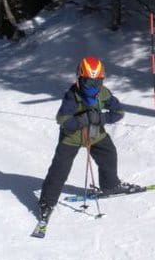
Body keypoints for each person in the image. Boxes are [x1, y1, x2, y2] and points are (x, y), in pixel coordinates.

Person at [38, 56, 142, 223]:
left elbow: (119, 113)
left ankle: (110, 186)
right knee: (59, 170)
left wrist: (101, 119)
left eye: (97, 82)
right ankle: (47, 203)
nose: (93, 86)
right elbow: (63, 120)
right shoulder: (72, 95)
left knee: (109, 154)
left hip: (95, 135)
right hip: (71, 138)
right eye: (88, 82)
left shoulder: (103, 93)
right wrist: (83, 119)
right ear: (79, 79)